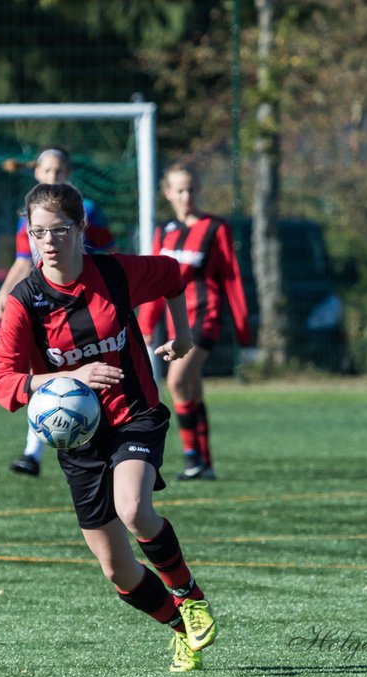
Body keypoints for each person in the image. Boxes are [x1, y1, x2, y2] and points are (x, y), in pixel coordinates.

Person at [0, 182, 219, 672]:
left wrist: (181, 337)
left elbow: (174, 275)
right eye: (37, 232)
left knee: (133, 508)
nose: (48, 242)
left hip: (134, 413)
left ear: (80, 230)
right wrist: (70, 376)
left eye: (58, 230)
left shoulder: (114, 272)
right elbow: (1, 381)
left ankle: (189, 594)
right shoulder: (24, 302)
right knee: (117, 570)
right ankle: (182, 628)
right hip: (78, 440)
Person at [0, 147, 116, 477]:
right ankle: (32, 453)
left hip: (83, 302)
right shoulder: (27, 217)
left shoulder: (88, 210)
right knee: (45, 375)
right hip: (42, 302)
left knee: (85, 372)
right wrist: (5, 293)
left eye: (59, 172)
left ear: (69, 174)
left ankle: (105, 439)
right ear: (36, 174)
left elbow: (109, 254)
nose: (53, 177)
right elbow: (23, 262)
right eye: (47, 172)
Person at [137, 162, 251, 481]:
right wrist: (147, 322)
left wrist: (242, 326)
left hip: (206, 316)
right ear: (168, 193)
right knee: (191, 388)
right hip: (177, 323)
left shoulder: (216, 228)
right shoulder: (165, 232)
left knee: (175, 381)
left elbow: (231, 276)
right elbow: (155, 281)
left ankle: (191, 458)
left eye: (192, 189)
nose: (187, 196)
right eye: (180, 190)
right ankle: (205, 462)